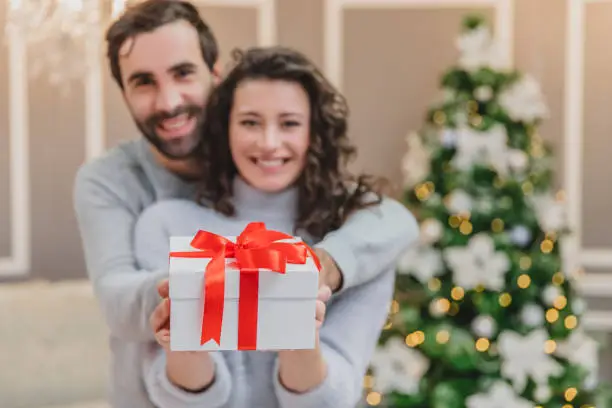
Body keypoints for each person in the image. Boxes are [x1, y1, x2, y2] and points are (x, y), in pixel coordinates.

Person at [72, 1, 417, 406]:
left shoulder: (348, 228)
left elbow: (394, 221)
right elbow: (120, 306)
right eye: (143, 82)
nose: (168, 102)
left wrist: (314, 270)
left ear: (214, 78)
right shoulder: (129, 197)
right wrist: (212, 281)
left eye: (183, 73)